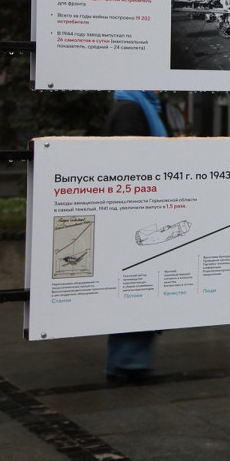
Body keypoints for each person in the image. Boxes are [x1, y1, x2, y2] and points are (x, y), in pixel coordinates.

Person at [103, 90, 167, 384]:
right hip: (140, 212)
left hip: (146, 210)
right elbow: (133, 164)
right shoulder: (131, 109)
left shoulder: (144, 106)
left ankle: (128, 362)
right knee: (136, 287)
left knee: (141, 286)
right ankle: (128, 363)